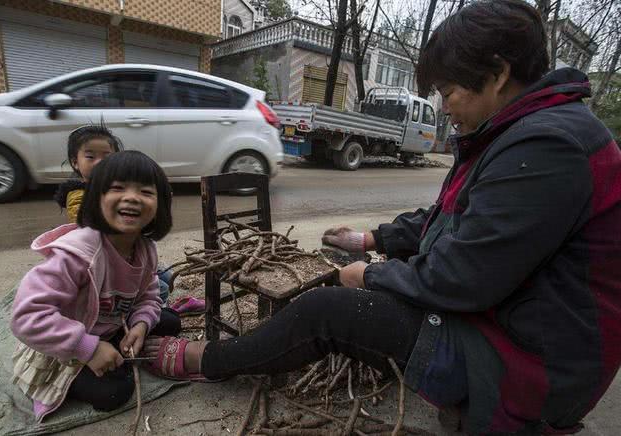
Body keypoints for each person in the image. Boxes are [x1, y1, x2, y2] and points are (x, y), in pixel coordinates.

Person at [143, 0, 621, 433]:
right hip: (511, 321)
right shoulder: (520, 130)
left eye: (449, 91)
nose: (444, 107)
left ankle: (211, 358)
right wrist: (371, 238)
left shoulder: (546, 147)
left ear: (497, 73)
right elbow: (449, 220)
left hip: (532, 361)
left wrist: (372, 275)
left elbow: (461, 278)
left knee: (322, 311)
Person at [11, 151, 180, 422]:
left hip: (111, 325)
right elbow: (26, 317)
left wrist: (140, 325)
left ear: (161, 206)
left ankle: (117, 343)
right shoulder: (77, 255)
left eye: (146, 192)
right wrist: (87, 348)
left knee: (170, 321)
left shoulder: (145, 250)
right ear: (95, 199)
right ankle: (92, 359)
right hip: (62, 343)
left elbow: (149, 295)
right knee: (115, 391)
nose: (132, 197)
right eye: (117, 188)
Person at [52, 124, 185, 306]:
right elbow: (90, 225)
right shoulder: (77, 197)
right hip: (102, 259)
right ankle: (153, 313)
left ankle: (153, 312)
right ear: (75, 162)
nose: (99, 162)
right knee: (160, 289)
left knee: (165, 276)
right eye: (90, 157)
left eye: (107, 157)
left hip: (128, 251)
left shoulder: (146, 248)